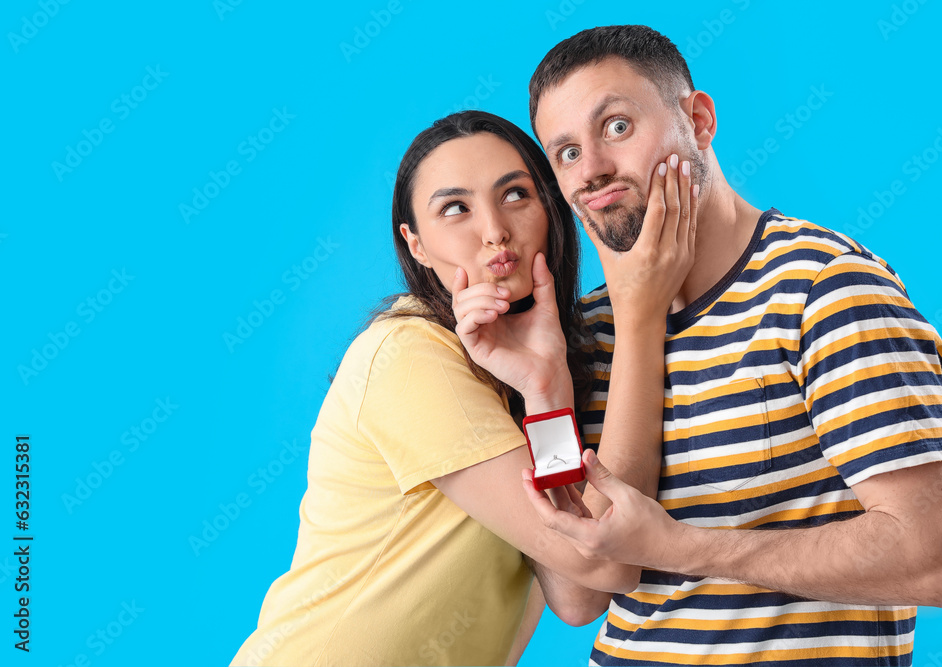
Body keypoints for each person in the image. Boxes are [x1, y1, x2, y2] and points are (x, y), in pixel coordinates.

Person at [522, 24, 942, 666]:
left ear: (698, 119)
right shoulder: (587, 332)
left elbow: (936, 563)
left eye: (616, 126)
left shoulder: (827, 292)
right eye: (565, 152)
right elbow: (577, 596)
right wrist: (541, 389)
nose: (591, 169)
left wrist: (681, 547)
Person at [230, 109, 697, 666]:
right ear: (416, 244)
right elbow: (610, 563)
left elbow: (581, 594)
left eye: (517, 195)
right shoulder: (410, 355)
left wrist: (547, 391)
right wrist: (639, 311)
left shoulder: (519, 367)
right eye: (456, 209)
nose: (495, 230)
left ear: (550, 209)